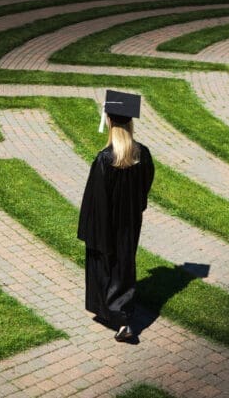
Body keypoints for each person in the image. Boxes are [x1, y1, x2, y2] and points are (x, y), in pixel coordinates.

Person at [78, 90, 154, 342]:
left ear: (109, 122)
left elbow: (95, 198)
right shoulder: (142, 154)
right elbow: (144, 188)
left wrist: (90, 228)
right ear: (130, 123)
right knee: (124, 264)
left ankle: (119, 319)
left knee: (105, 266)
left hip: (105, 224)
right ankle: (122, 313)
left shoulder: (105, 159)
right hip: (129, 223)